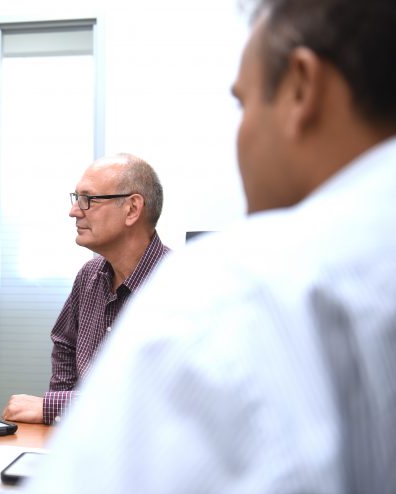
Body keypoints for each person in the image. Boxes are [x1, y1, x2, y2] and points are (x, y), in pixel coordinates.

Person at [24, 0, 396, 491]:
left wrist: (52, 409)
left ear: (303, 88)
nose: (75, 210)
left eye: (243, 103)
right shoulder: (93, 281)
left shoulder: (214, 299)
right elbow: (64, 356)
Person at [2, 153, 170, 425]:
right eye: (76, 198)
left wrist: (51, 407)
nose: (74, 211)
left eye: (88, 199)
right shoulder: (89, 276)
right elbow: (65, 345)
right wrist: (61, 420)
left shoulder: (178, 286)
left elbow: (155, 395)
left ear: (132, 209)